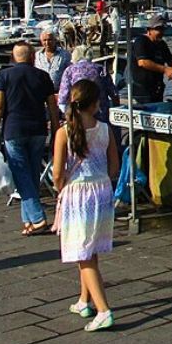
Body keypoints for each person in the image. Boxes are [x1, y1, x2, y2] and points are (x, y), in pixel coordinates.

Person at [53, 78, 119, 331]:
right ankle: (84, 300)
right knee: (90, 250)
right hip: (102, 189)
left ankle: (103, 310)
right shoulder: (105, 129)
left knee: (82, 254)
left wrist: (62, 188)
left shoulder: (63, 133)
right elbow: (114, 165)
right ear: (94, 104)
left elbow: (58, 172)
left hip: (77, 192)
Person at [0, 43, 60, 235]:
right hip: (38, 129)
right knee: (31, 174)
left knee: (21, 175)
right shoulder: (43, 76)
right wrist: (56, 131)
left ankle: (37, 218)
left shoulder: (4, 76)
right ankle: (27, 220)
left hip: (14, 129)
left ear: (13, 58)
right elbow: (53, 108)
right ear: (32, 57)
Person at [129, 14, 172, 104]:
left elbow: (170, 60)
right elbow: (142, 62)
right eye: (158, 29)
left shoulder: (162, 44)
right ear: (149, 30)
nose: (161, 32)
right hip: (142, 91)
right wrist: (165, 69)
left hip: (157, 89)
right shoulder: (141, 41)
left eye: (163, 29)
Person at [58, 46, 120, 118]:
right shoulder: (101, 69)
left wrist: (68, 114)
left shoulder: (69, 70)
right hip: (100, 113)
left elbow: (63, 98)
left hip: (78, 115)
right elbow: (114, 93)